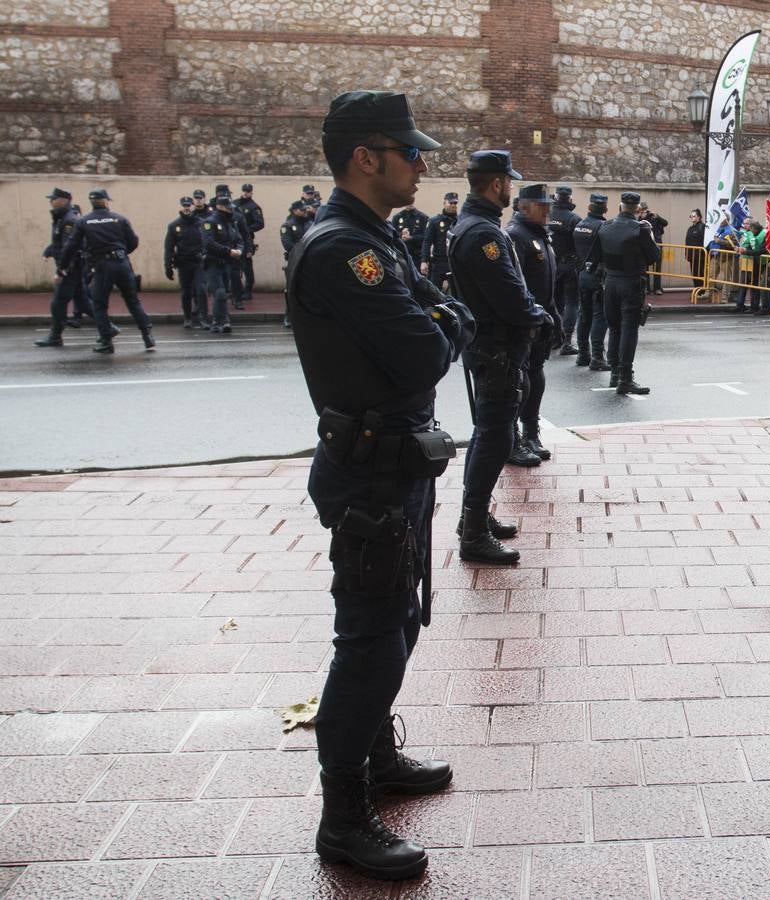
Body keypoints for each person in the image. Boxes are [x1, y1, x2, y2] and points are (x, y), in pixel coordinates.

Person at [286, 89, 474, 883]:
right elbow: (427, 349)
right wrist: (448, 319)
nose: (422, 163)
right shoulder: (345, 250)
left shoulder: (374, 238)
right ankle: (343, 816)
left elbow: (434, 317)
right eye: (410, 150)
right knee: (370, 642)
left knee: (396, 621)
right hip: (371, 473)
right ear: (368, 157)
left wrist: (440, 314)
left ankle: (377, 758)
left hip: (396, 463)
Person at [448, 150, 550, 565]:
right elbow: (511, 297)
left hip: (490, 349)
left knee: (487, 435)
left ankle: (474, 517)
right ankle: (473, 533)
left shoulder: (472, 225)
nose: (510, 187)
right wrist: (538, 315)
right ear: (496, 185)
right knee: (495, 438)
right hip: (498, 350)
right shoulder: (485, 235)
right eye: (508, 182)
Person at [58, 188, 154, 354]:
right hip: (122, 263)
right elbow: (133, 242)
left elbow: (70, 246)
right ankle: (147, 336)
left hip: (102, 265)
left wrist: (62, 267)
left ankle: (106, 341)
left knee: (99, 304)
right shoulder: (119, 219)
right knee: (133, 300)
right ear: (106, 201)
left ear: (92, 203)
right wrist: (121, 252)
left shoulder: (84, 222)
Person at [508, 184, 561, 461]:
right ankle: (514, 438)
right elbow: (517, 285)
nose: (547, 211)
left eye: (548, 206)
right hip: (526, 321)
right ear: (523, 207)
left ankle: (531, 432)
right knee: (521, 381)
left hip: (542, 319)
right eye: (541, 206)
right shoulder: (516, 235)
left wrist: (555, 316)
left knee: (536, 378)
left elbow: (547, 283)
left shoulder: (541, 235)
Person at [589, 190, 660, 394]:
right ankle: (625, 378)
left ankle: (615, 374)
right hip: (631, 283)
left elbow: (596, 256)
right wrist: (651, 235)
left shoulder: (605, 226)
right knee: (629, 329)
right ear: (637, 209)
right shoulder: (639, 229)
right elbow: (653, 256)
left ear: (620, 207)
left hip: (610, 282)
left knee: (615, 328)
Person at [35, 187, 94, 347]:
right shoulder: (61, 218)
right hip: (71, 267)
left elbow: (71, 247)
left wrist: (62, 270)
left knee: (58, 303)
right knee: (83, 303)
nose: (51, 201)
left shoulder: (70, 220)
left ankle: (55, 336)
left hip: (70, 268)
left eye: (53, 198)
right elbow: (59, 243)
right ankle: (108, 327)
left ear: (63, 200)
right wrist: (49, 251)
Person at [573, 193, 610, 369]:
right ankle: (597, 357)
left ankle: (582, 354)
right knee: (599, 316)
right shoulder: (604, 227)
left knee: (584, 315)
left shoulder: (579, 225)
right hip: (598, 276)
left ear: (589, 208)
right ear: (605, 209)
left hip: (582, 274)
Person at [202, 194, 244, 333]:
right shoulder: (210, 222)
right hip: (213, 263)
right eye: (228, 208)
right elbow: (209, 243)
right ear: (219, 207)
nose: (231, 210)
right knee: (219, 292)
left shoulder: (231, 222)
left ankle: (216, 320)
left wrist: (239, 250)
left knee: (224, 293)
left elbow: (239, 239)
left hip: (227, 263)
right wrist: (228, 251)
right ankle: (225, 320)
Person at [548, 185, 582, 355]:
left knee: (555, 301)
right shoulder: (573, 219)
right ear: (569, 199)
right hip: (569, 264)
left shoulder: (547, 215)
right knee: (572, 302)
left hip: (552, 265)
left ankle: (555, 337)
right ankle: (567, 340)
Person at [164, 196, 206, 329]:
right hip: (183, 263)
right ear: (181, 207)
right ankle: (187, 318)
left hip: (199, 262)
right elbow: (169, 248)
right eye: (184, 206)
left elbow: (209, 243)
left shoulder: (202, 223)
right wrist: (168, 266)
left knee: (201, 290)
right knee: (186, 292)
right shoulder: (174, 225)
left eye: (189, 205)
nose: (187, 208)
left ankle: (203, 318)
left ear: (193, 206)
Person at [280, 200, 311, 327]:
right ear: (294, 211)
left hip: (309, 261)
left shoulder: (310, 224)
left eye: (305, 210)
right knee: (291, 290)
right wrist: (301, 252)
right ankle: (288, 316)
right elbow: (287, 244)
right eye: (302, 210)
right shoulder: (287, 225)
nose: (304, 212)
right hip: (294, 261)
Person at [420, 192, 458, 292]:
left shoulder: (460, 221)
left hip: (454, 262)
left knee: (456, 292)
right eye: (450, 203)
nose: (453, 205)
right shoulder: (435, 221)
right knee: (434, 292)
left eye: (455, 203)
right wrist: (424, 261)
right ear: (444, 203)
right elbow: (427, 241)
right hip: (439, 262)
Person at [236, 184, 265, 300]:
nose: (245, 193)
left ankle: (248, 289)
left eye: (248, 191)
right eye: (244, 191)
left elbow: (260, 223)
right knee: (234, 266)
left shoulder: (254, 207)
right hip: (233, 238)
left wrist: (246, 229)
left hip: (246, 239)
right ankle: (236, 289)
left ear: (251, 192)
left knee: (246, 265)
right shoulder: (235, 203)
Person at [734, 218, 765, 314]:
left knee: (755, 284)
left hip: (756, 262)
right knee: (744, 284)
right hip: (747, 262)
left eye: (748, 224)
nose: (746, 226)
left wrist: (745, 250)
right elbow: (749, 246)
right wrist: (741, 249)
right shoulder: (747, 233)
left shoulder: (759, 234)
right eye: (744, 224)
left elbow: (758, 249)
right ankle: (742, 305)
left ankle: (756, 306)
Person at [636, 201, 669, 294]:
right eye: (641, 211)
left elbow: (665, 223)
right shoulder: (639, 219)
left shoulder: (654, 217)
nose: (643, 213)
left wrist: (657, 216)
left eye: (644, 210)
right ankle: (646, 288)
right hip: (644, 246)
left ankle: (657, 288)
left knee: (657, 268)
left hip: (656, 245)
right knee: (644, 267)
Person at [684, 208, 706, 287]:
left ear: (699, 217)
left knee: (700, 274)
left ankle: (701, 291)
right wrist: (686, 254)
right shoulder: (690, 228)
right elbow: (687, 242)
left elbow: (705, 241)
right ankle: (697, 289)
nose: (692, 217)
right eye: (691, 216)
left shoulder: (702, 227)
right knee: (694, 274)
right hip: (692, 256)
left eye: (694, 216)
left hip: (700, 256)